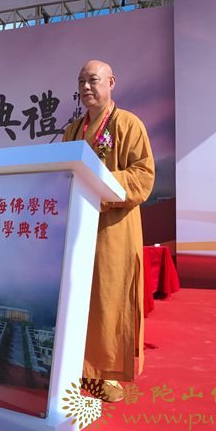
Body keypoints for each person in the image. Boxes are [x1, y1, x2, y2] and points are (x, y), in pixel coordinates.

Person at [62, 60, 155, 402]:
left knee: (108, 298)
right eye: (81, 81)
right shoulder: (72, 130)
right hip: (77, 227)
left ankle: (106, 374)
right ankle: (74, 366)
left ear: (111, 82)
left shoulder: (128, 124)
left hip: (113, 228)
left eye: (93, 80)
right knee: (76, 295)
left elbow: (143, 176)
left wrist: (96, 184)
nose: (86, 87)